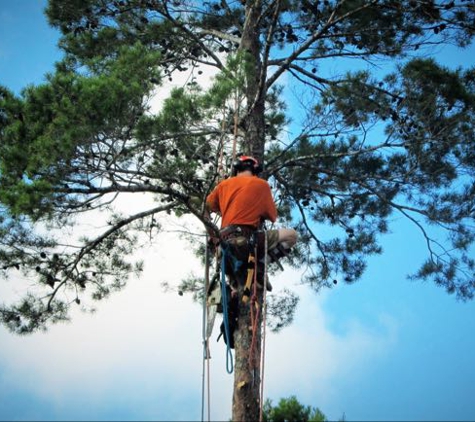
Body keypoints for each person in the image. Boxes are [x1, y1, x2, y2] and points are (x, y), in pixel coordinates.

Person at [206, 155, 298, 289]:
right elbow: (272, 216)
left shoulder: (223, 185)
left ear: (237, 168)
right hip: (248, 240)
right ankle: (260, 266)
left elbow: (206, 207)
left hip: (223, 243)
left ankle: (236, 284)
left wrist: (213, 235)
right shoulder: (262, 185)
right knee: (291, 236)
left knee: (237, 282)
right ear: (255, 170)